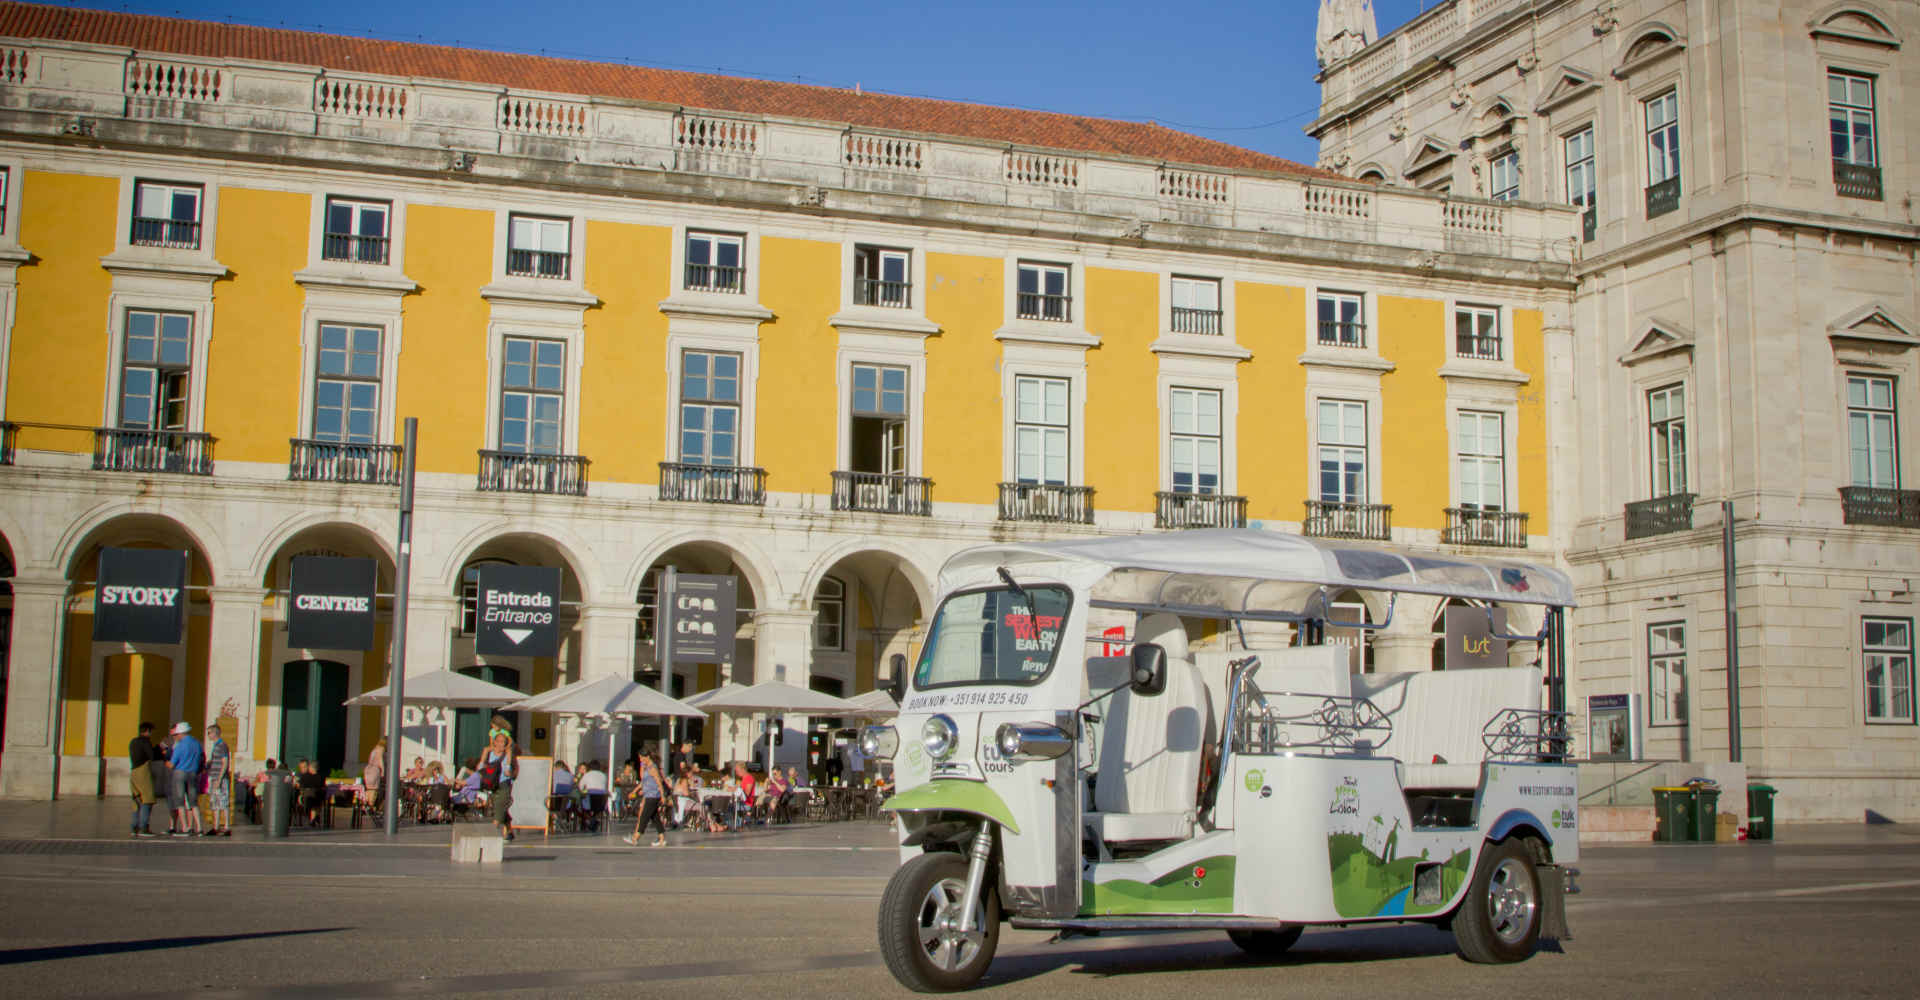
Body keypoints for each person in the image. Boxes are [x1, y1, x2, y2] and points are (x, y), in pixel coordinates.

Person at [477, 731, 518, 841]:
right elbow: (480, 767)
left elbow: (515, 770)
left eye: (503, 742)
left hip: (505, 784)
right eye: (499, 741)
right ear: (494, 742)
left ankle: (489, 832)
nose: (501, 744)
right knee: (499, 808)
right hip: (493, 785)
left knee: (500, 806)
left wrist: (511, 773)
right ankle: (509, 831)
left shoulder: (509, 754)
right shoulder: (488, 753)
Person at [167, 722, 204, 838]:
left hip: (180, 774)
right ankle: (199, 828)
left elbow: (172, 764)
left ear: (180, 733)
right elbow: (201, 758)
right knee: (193, 802)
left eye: (177, 734)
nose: (176, 736)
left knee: (180, 801)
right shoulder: (197, 743)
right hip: (193, 774)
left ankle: (185, 828)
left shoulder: (180, 745)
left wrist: (165, 761)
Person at [624, 754, 667, 847]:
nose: (640, 759)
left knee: (644, 816)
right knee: (655, 818)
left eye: (642, 757)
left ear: (647, 757)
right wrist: (634, 791)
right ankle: (661, 838)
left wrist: (663, 795)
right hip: (649, 795)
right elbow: (643, 781)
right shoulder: (647, 767)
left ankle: (635, 838)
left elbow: (659, 782)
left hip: (653, 796)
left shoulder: (652, 768)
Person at [128, 721, 161, 838]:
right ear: (147, 731)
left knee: (136, 800)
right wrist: (160, 748)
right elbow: (151, 756)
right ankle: (143, 828)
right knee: (147, 800)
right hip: (143, 772)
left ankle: (134, 827)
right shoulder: (145, 742)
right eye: (150, 731)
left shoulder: (133, 741)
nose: (151, 734)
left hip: (133, 772)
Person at [203, 723, 232, 837]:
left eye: (209, 732)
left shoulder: (222, 745)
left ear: (215, 733)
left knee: (223, 801)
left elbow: (225, 762)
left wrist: (220, 778)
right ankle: (215, 826)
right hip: (213, 777)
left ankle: (226, 827)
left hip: (220, 778)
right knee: (215, 802)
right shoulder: (216, 746)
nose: (208, 735)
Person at [295, 759, 327, 826]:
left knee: (310, 802)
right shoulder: (322, 777)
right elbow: (323, 787)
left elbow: (300, 787)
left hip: (307, 798)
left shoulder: (305, 776)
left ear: (311, 768)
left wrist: (300, 795)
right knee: (316, 803)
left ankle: (312, 819)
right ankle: (314, 818)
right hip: (318, 797)